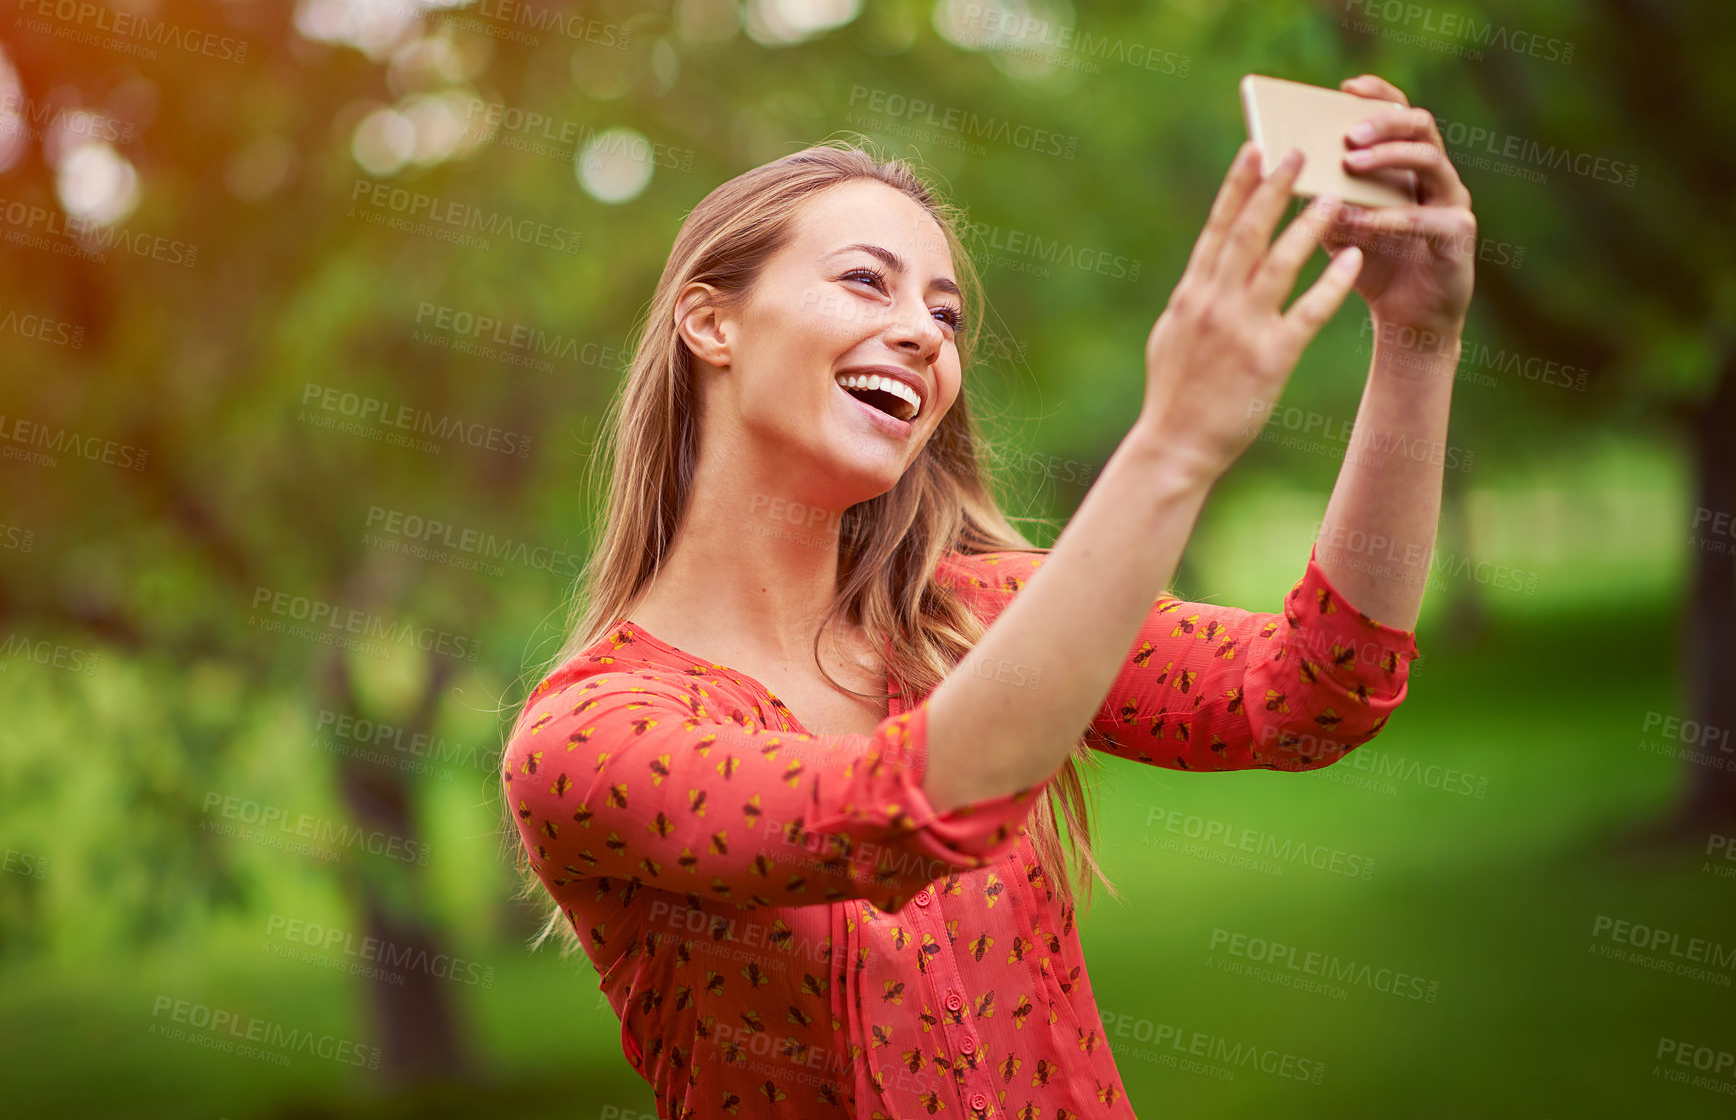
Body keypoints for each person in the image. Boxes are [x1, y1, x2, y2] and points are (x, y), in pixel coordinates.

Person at [502, 74, 1474, 1119]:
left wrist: (1416, 343)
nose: (924, 333)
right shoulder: (587, 738)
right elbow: (888, 817)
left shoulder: (975, 618)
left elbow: (1310, 692)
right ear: (709, 323)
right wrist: (1171, 447)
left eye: (944, 310)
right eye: (866, 282)